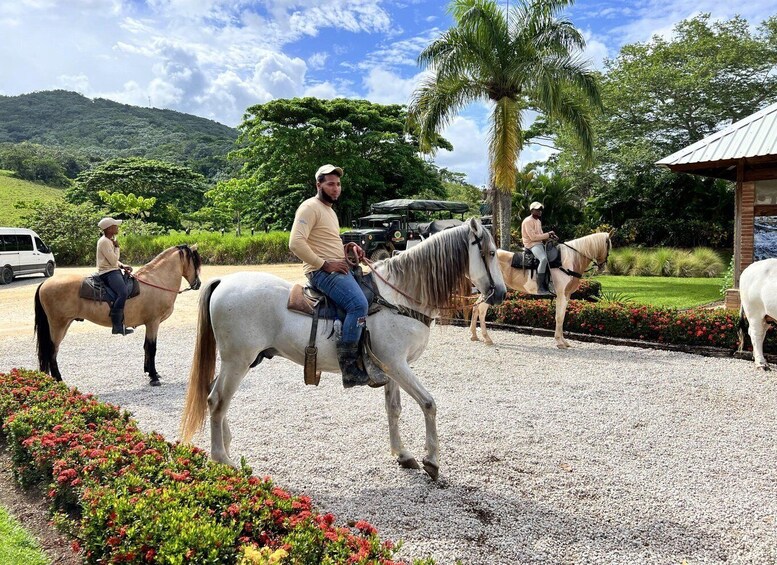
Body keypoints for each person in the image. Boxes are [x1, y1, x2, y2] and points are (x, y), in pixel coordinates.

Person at [289, 164, 370, 388]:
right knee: (358, 304)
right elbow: (295, 242)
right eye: (330, 184)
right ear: (319, 185)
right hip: (320, 273)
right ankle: (350, 367)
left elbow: (325, 241)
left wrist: (347, 247)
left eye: (338, 184)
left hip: (336, 267)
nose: (336, 189)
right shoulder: (309, 207)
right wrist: (325, 265)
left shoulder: (330, 211)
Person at [96, 217, 134, 335]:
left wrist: (122, 266)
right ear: (109, 228)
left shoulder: (108, 240)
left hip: (112, 270)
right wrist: (117, 247)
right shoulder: (104, 242)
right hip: (108, 272)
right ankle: (117, 326)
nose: (117, 228)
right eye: (115, 226)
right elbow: (113, 261)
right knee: (122, 292)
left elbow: (114, 261)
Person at [521, 202, 556, 295]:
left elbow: (540, 235)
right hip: (531, 244)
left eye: (540, 210)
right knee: (543, 259)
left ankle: (550, 283)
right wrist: (548, 234)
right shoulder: (527, 221)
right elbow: (533, 237)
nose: (539, 212)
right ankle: (540, 287)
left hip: (539, 244)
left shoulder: (538, 221)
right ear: (532, 210)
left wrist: (550, 236)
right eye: (537, 210)